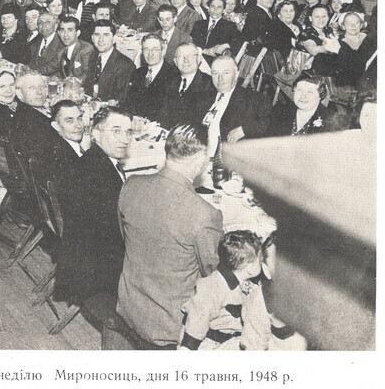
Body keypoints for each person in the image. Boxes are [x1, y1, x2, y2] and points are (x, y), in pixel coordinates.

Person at [116, 124, 223, 349]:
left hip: (128, 305)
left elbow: (125, 239)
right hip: (169, 325)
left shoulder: (131, 185)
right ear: (201, 158)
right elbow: (213, 275)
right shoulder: (206, 214)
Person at [54, 106, 131, 306]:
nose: (125, 139)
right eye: (116, 131)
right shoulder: (97, 172)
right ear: (95, 133)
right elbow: (116, 232)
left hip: (83, 258)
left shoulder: (94, 161)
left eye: (128, 132)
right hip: (96, 271)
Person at [179, 230, 307, 351]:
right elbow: (197, 322)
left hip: (230, 339)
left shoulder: (244, 281)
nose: (263, 264)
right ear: (250, 268)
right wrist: (187, 349)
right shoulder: (211, 288)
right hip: (206, 344)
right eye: (260, 260)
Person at [201, 56, 272, 158]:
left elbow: (267, 123)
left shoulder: (253, 99)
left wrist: (245, 130)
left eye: (226, 73)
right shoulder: (205, 97)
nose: (220, 79)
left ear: (236, 74)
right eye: (215, 73)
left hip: (226, 161)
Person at [160, 43, 215, 129]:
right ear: (175, 62)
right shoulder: (169, 81)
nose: (186, 60)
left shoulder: (209, 84)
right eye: (181, 56)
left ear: (199, 59)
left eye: (191, 56)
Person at [126, 34, 178, 122]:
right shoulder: (137, 73)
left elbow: (170, 112)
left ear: (163, 51)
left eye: (155, 49)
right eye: (146, 49)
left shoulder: (174, 75)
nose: (150, 54)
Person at [87, 20, 135, 104]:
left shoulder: (125, 64)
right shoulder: (92, 57)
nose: (101, 40)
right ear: (92, 38)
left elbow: (121, 100)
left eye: (106, 35)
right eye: (97, 35)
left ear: (114, 38)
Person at [57, 15, 95, 86]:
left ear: (78, 33)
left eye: (70, 30)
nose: (65, 35)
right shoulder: (61, 52)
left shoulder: (86, 49)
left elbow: (88, 75)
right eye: (62, 30)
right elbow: (62, 75)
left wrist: (67, 83)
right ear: (59, 33)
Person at [28, 12, 64, 77]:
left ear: (55, 26)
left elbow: (55, 64)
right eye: (40, 23)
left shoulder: (61, 43)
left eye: (48, 22)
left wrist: (33, 72)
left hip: (54, 81)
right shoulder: (35, 42)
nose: (43, 25)